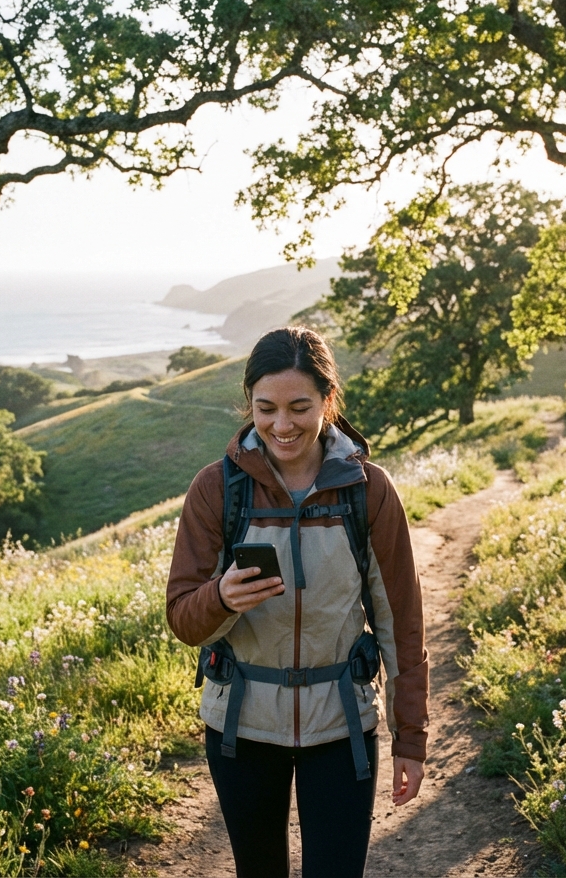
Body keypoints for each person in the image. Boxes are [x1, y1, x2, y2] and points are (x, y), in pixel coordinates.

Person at [166, 326, 429, 878]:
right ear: (249, 403)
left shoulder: (368, 490)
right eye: (266, 409)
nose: (282, 425)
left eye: (300, 408)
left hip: (341, 725)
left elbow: (401, 623)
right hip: (240, 728)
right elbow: (183, 619)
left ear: (328, 401)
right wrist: (220, 598)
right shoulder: (216, 489)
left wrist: (411, 738)